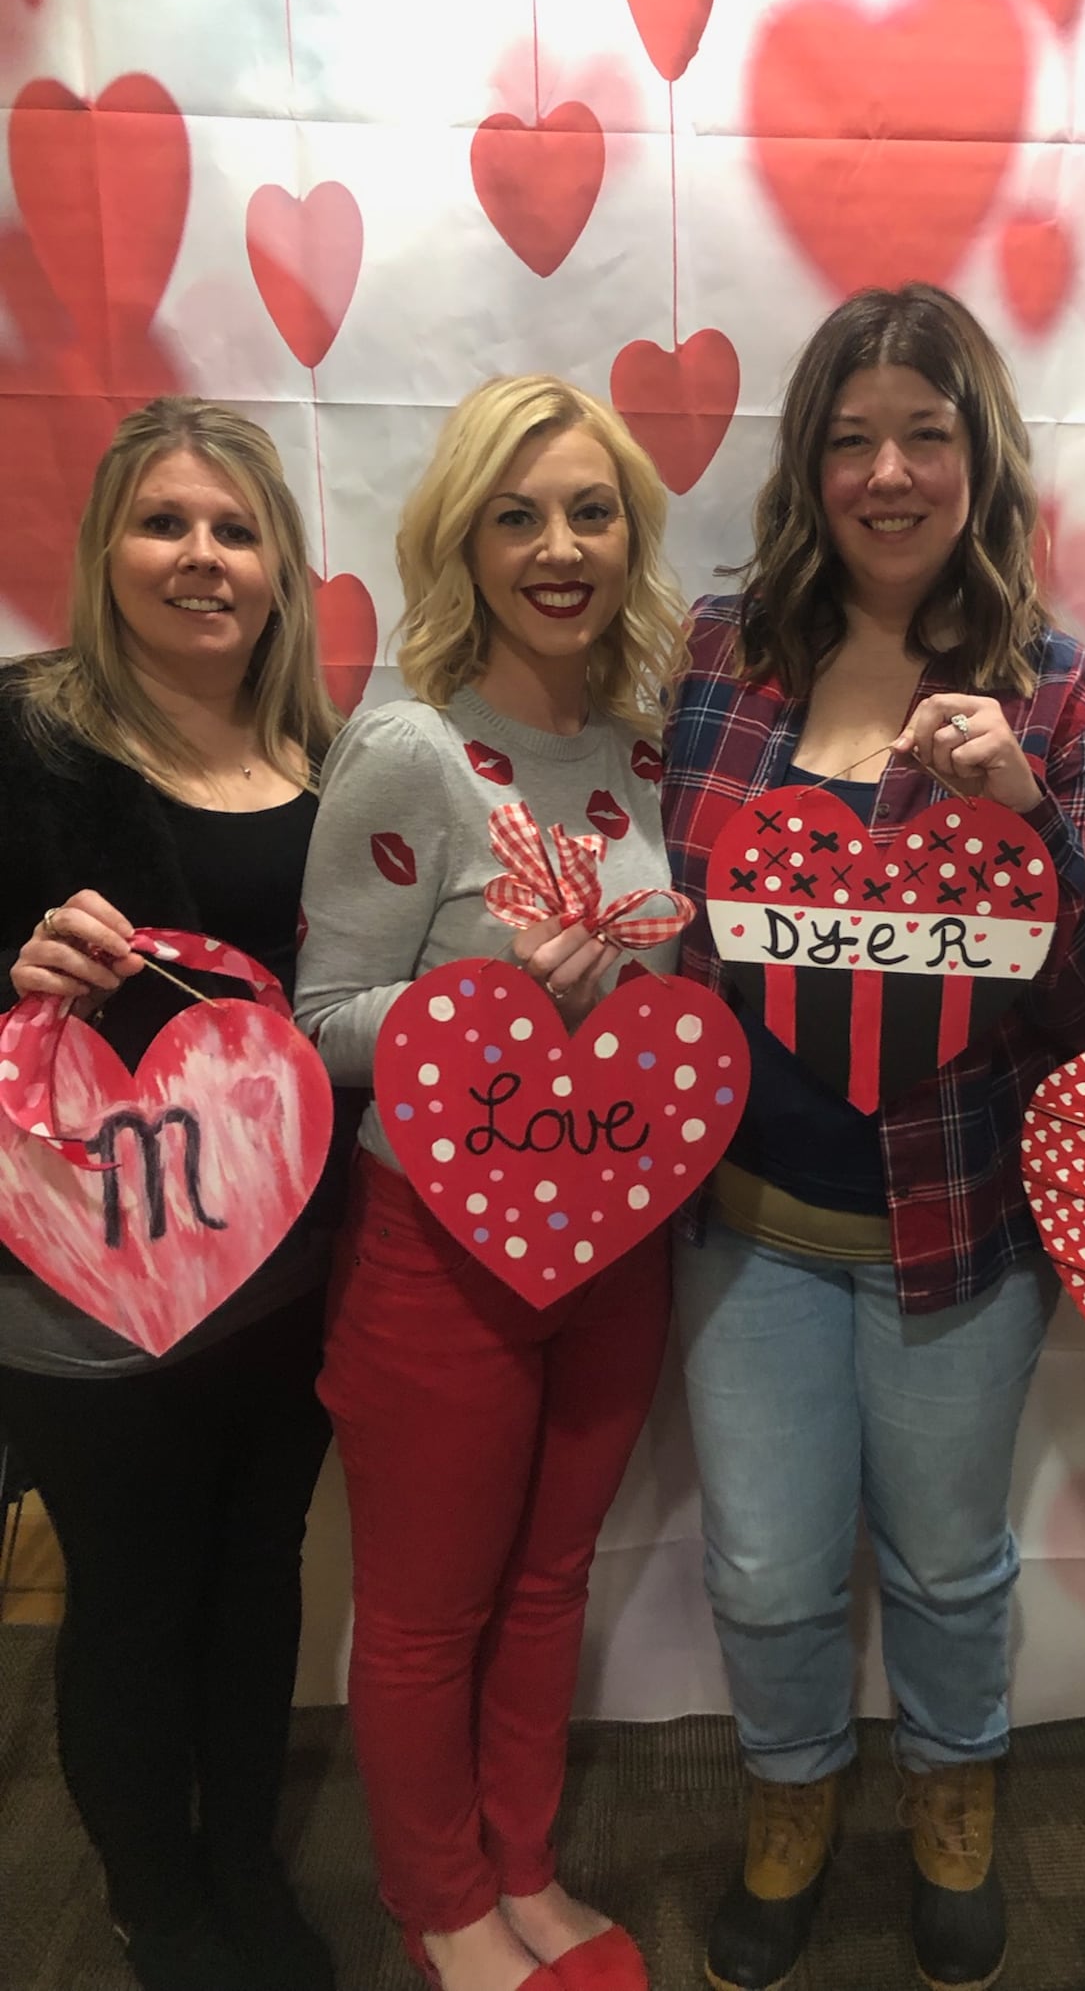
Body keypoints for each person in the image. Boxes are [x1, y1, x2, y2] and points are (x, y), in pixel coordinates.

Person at [661, 283, 1085, 1991]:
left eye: (925, 432)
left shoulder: (1063, 689)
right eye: (853, 434)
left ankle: (958, 1792)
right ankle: (790, 1798)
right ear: (810, 461)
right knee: (763, 1563)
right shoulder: (726, 654)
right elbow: (671, 906)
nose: (888, 469)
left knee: (948, 1560)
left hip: (958, 1237)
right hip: (748, 1225)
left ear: (979, 454)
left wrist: (1021, 804)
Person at [294, 377, 686, 1991]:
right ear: (463, 534)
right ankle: (439, 1899)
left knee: (547, 1575)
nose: (559, 546)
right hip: (434, 1251)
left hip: (614, 1238)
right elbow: (318, 1024)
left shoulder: (637, 753)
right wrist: (494, 1009)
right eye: (518, 514)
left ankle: (521, 1863)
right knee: (422, 1610)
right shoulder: (409, 747)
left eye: (591, 511)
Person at [0, 397, 348, 1991]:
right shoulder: (23, 737)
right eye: (165, 523)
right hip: (84, 1277)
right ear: (105, 550)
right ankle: (153, 1898)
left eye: (234, 528)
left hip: (281, 1266)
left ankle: (238, 1861)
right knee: (131, 1590)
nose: (201, 558)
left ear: (279, 566)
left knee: (258, 1562)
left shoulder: (326, 760)